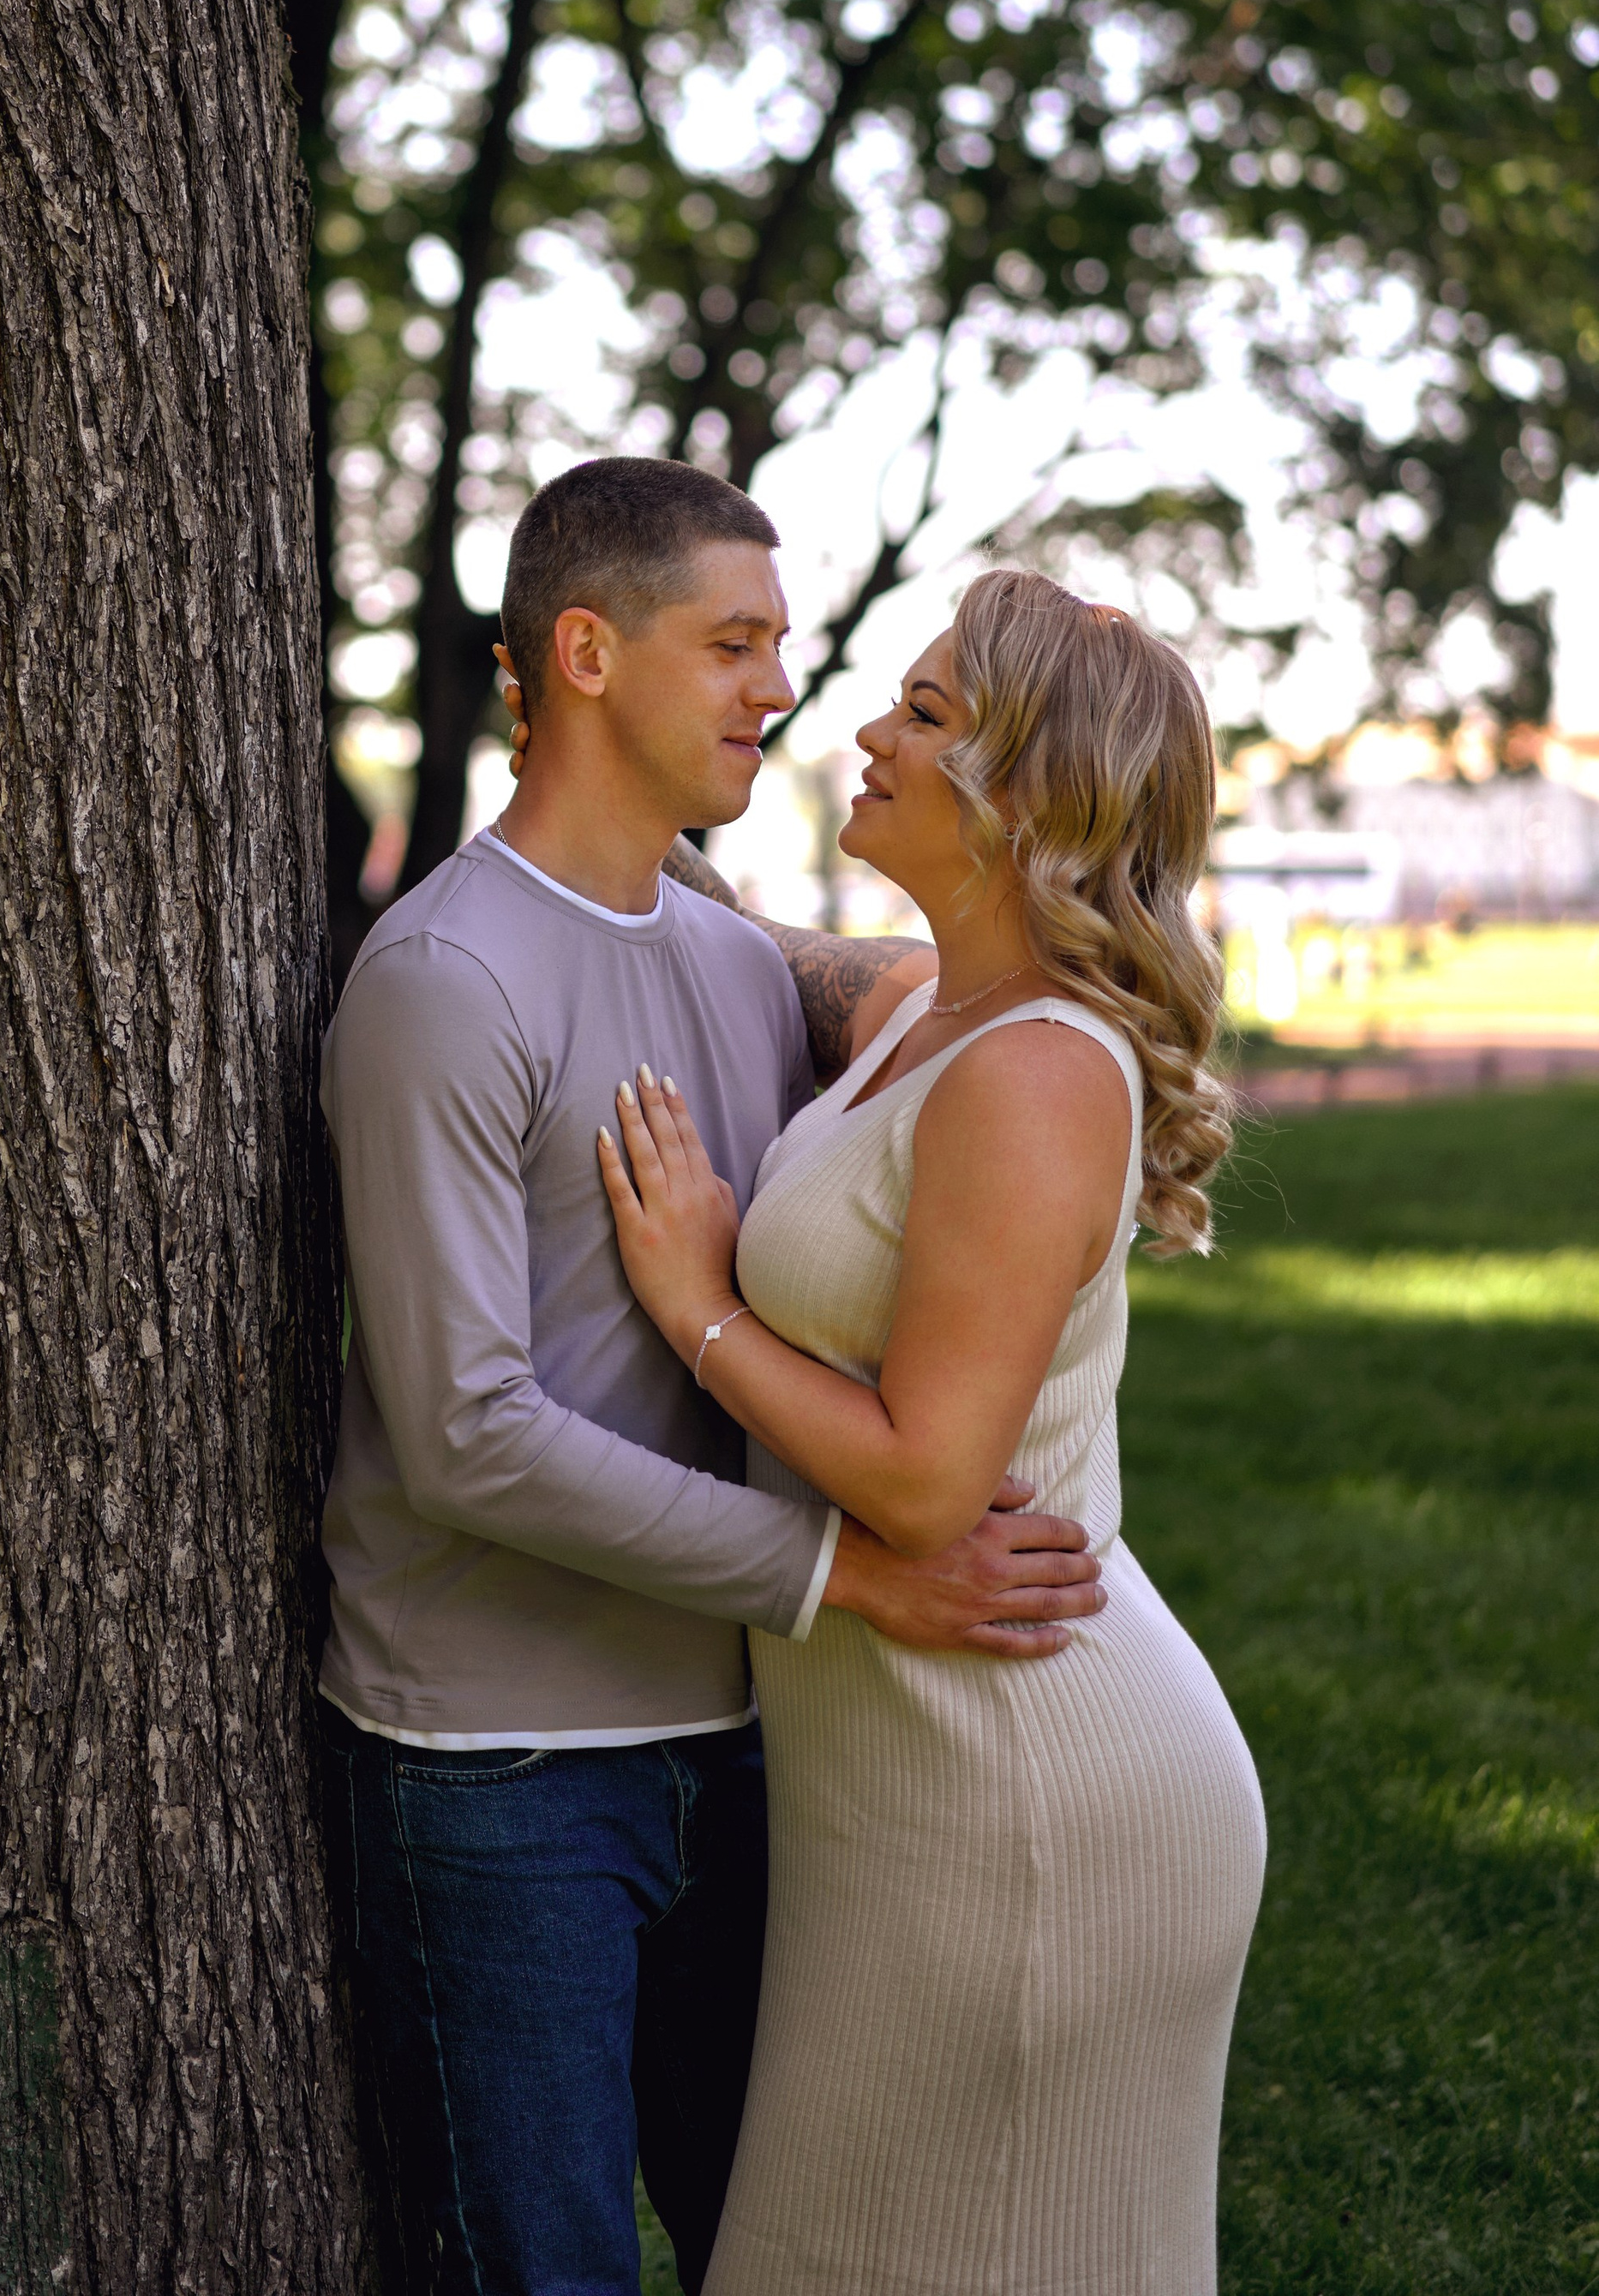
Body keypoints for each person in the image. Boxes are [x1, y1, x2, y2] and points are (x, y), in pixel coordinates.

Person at [316, 461, 1109, 2296]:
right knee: (554, 2270)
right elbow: (461, 1437)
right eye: (732, 642)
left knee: (787, 2249)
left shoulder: (732, 961)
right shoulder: (439, 979)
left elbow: (985, 1013)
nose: (777, 686)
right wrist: (845, 1570)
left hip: (742, 1742)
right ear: (583, 653)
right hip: (500, 1765)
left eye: (781, 642)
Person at [600, 570, 1267, 2296]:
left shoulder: (1037, 1073)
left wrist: (698, 1306)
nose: (863, 735)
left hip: (1025, 1788)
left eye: (922, 715)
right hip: (901, 1778)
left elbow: (920, 1477)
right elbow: (745, 940)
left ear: (1032, 793)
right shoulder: (915, 1010)